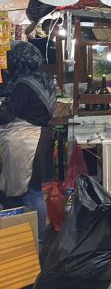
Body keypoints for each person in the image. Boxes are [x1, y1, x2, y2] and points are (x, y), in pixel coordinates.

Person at [0, 42, 55, 251]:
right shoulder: (45, 81)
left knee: (24, 194)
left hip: (24, 142)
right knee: (34, 191)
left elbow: (5, 114)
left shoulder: (24, 84)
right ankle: (36, 243)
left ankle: (26, 244)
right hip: (40, 139)